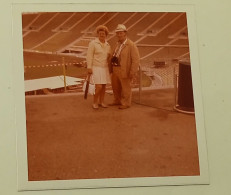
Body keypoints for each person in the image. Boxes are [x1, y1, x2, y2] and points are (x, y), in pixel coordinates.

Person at [109, 24, 140, 109]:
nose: (119, 35)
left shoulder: (131, 45)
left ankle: (126, 103)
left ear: (125, 33)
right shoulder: (117, 44)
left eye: (121, 33)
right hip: (115, 68)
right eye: (118, 33)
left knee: (126, 88)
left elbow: (136, 60)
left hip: (124, 69)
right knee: (115, 86)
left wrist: (132, 72)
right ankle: (117, 100)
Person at [86, 25, 111, 109]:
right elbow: (89, 56)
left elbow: (108, 57)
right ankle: (95, 102)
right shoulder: (93, 43)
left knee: (104, 86)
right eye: (100, 33)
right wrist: (89, 67)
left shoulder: (108, 45)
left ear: (106, 35)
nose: (101, 35)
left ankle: (101, 102)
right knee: (99, 86)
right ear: (97, 34)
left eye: (103, 34)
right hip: (96, 67)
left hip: (104, 68)